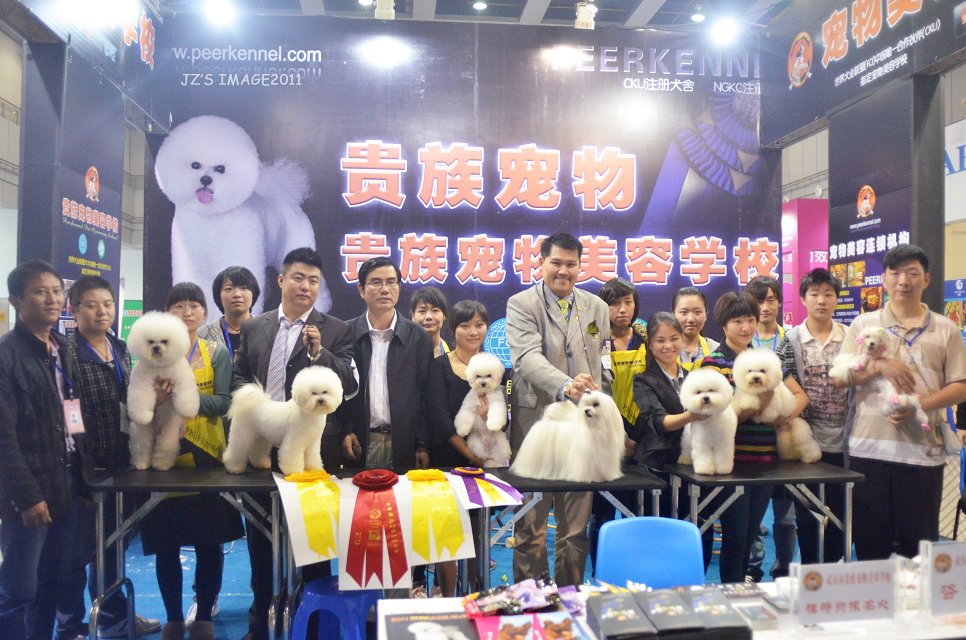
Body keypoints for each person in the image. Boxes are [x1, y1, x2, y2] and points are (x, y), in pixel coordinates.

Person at [232, 247, 357, 640]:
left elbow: (350, 386)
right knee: (260, 544)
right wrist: (255, 410)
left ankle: (314, 625)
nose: (306, 286)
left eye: (313, 280)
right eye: (298, 278)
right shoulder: (254, 326)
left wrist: (322, 353)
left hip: (310, 454)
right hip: (261, 450)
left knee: (314, 547)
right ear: (281, 280)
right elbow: (239, 378)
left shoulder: (337, 329)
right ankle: (261, 621)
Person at [835, 244, 966, 560]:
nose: (903, 281)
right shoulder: (863, 325)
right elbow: (839, 377)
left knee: (917, 553)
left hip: (923, 455)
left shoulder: (946, 329)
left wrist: (922, 404)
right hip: (869, 452)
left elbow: (961, 386)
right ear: (884, 279)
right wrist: (879, 366)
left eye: (912, 273)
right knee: (871, 549)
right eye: (895, 273)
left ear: (927, 279)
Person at [138, 283, 244, 640]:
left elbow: (224, 402)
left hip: (207, 458)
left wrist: (183, 397)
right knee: (165, 544)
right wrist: (155, 400)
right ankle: (171, 617)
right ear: (167, 312)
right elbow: (138, 402)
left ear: (204, 312)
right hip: (163, 460)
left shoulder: (216, 352)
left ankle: (204, 616)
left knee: (209, 541)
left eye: (194, 306)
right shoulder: (153, 351)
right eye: (178, 305)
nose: (186, 312)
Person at [506, 232, 611, 587]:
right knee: (531, 527)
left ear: (580, 267)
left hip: (584, 428)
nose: (563, 271)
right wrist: (565, 385)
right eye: (556, 263)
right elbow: (526, 358)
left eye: (571, 264)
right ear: (540, 263)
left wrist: (608, 416)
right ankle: (530, 598)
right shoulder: (521, 304)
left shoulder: (597, 307)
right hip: (535, 425)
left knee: (576, 529)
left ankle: (571, 596)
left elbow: (604, 364)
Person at [61, 276, 160, 639]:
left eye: (107, 304)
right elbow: (65, 410)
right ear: (73, 310)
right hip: (80, 469)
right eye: (91, 305)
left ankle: (113, 618)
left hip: (119, 463)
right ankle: (70, 626)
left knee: (112, 546)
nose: (101, 312)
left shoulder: (119, 348)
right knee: (75, 553)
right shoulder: (66, 352)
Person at [699, 291, 809, 584]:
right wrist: (759, 405)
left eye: (750, 320)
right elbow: (714, 418)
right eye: (738, 321)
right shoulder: (713, 363)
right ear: (723, 324)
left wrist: (783, 417)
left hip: (766, 461)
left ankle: (740, 594)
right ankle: (731, 593)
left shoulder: (767, 360)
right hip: (732, 464)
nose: (746, 327)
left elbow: (800, 395)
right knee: (735, 538)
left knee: (749, 536)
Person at [0, 260, 83, 640]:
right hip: (28, 492)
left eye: (56, 291)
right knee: (19, 589)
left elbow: (72, 415)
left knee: (54, 579)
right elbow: (3, 437)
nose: (52, 299)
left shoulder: (62, 348)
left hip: (65, 482)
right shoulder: (7, 356)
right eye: (39, 291)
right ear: (16, 300)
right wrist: (27, 496)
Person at [777, 268, 850, 564]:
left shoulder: (850, 337)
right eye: (815, 294)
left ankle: (830, 570)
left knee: (843, 515)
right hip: (806, 442)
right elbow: (783, 382)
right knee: (807, 516)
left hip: (846, 441)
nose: (822, 300)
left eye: (828, 294)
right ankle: (810, 572)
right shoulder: (791, 339)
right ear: (803, 298)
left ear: (836, 299)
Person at [340, 257, 434, 470]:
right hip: (359, 442)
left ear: (399, 288)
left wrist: (422, 444)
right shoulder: (345, 333)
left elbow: (426, 395)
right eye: (376, 282)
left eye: (391, 282)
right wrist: (345, 430)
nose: (384, 289)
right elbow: (337, 390)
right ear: (361, 290)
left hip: (404, 443)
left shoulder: (418, 337)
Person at [425, 300, 492, 595]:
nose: (473, 331)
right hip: (446, 460)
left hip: (482, 464)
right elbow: (439, 420)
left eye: (479, 325)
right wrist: (468, 455)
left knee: (477, 535)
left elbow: (501, 418)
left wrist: (489, 420)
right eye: (465, 325)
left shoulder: (492, 367)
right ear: (453, 329)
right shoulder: (439, 367)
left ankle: (475, 595)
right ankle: (447, 597)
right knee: (447, 535)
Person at [588, 278, 645, 573]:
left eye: (628, 302)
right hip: (604, 436)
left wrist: (636, 435)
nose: (622, 309)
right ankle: (601, 573)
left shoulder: (647, 339)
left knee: (638, 511)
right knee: (601, 513)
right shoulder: (593, 340)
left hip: (641, 435)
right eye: (614, 303)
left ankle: (635, 572)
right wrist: (617, 434)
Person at [744, 276, 795, 581]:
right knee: (752, 512)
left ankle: (784, 568)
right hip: (751, 438)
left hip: (785, 433)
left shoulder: (790, 339)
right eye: (758, 300)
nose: (765, 307)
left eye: (771, 299)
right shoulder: (741, 340)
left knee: (786, 512)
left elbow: (798, 387)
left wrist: (785, 416)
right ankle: (753, 567)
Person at [632, 312, 698, 525]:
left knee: (696, 523)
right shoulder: (643, 381)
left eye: (674, 338)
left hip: (692, 466)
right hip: (659, 466)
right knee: (660, 526)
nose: (668, 346)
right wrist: (692, 416)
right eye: (660, 340)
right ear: (650, 345)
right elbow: (659, 422)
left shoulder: (694, 378)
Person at [198, 266, 261, 365]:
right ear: (218, 296)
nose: (237, 294)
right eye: (229, 289)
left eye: (244, 288)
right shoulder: (204, 335)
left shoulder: (266, 330)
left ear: (253, 293)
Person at [673, 287, 719, 372]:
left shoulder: (716, 350)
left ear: (706, 314)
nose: (691, 319)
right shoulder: (666, 350)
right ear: (673, 314)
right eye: (684, 312)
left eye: (697, 312)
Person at [410, 286, 450, 357]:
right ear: (413, 316)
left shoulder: (455, 353)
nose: (429, 317)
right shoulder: (402, 352)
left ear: (444, 315)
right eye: (422, 311)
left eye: (435, 310)